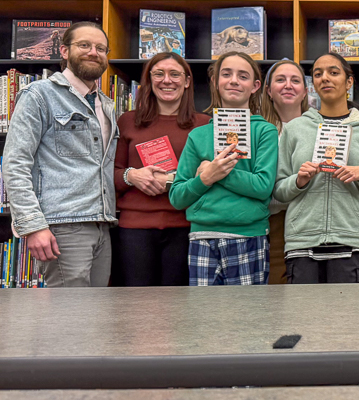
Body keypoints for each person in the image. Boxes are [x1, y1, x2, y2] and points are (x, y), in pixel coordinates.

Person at [2, 21, 117, 287]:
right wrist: (33, 225)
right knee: (69, 319)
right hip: (62, 225)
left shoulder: (106, 105)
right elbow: (15, 163)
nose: (93, 52)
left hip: (101, 223)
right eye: (84, 45)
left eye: (101, 48)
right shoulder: (38, 95)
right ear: (64, 51)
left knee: (95, 316)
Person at [274, 53, 359, 284]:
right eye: (318, 74)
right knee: (303, 319)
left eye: (333, 72)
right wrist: (298, 180)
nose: (325, 78)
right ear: (312, 84)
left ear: (349, 82)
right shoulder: (295, 129)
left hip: (353, 239)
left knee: (350, 319)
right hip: (302, 240)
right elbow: (279, 190)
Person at [169, 52, 278, 286]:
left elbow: (262, 187)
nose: (234, 81)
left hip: (249, 236)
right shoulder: (198, 135)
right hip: (202, 236)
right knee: (204, 317)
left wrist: (216, 172)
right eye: (226, 74)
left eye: (243, 76)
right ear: (215, 82)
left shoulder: (265, 131)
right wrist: (205, 178)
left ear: (255, 86)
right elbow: (177, 197)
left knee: (248, 317)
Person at [114, 52, 210, 286]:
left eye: (175, 74)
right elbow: (112, 174)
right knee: (138, 309)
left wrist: (174, 179)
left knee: (179, 310)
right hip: (134, 229)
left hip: (186, 228)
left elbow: (210, 177)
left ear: (187, 81)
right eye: (159, 74)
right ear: (149, 80)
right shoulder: (127, 121)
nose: (167, 80)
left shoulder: (205, 123)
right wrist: (132, 175)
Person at [261, 59, 309, 285]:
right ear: (268, 91)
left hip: (310, 223)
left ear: (305, 91)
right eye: (280, 80)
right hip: (272, 224)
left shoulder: (320, 128)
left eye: (295, 80)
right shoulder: (257, 130)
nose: (288, 85)